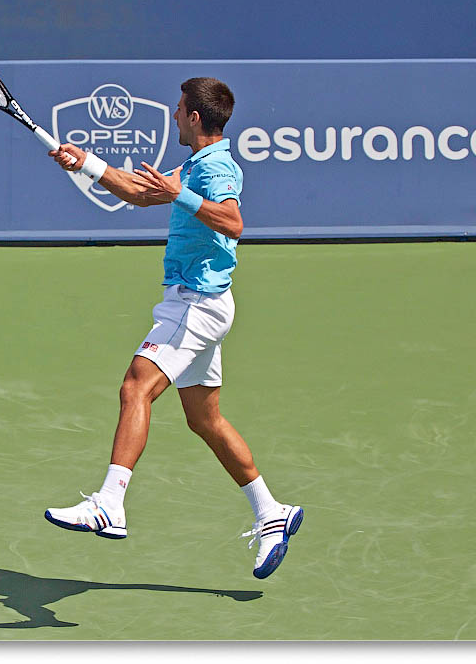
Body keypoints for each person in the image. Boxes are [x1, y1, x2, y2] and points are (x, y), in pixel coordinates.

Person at [43, 77, 303, 579]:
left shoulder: (216, 167)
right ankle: (271, 511)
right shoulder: (199, 163)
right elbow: (142, 194)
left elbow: (233, 223)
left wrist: (180, 195)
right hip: (205, 302)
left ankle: (109, 503)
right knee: (205, 419)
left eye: (179, 109)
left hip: (195, 304)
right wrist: (87, 163)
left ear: (195, 117)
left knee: (135, 387)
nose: (174, 115)